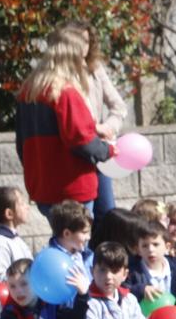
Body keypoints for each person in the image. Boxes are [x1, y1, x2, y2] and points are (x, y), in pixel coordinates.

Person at [16, 22, 112, 213]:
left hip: (43, 186)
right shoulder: (65, 92)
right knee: (79, 241)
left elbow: (21, 143)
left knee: (62, 239)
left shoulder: (28, 92)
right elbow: (80, 140)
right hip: (73, 186)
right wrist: (108, 150)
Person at [82, 29, 129, 215]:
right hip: (77, 151)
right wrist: (94, 127)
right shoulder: (59, 76)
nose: (82, 47)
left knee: (107, 213)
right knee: (81, 220)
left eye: (86, 41)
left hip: (99, 150)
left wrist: (107, 128)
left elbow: (119, 107)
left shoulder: (95, 68)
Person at [0, 187, 31, 281]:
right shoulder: (0, 243)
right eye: (22, 203)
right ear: (9, 213)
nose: (27, 207)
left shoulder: (15, 238)